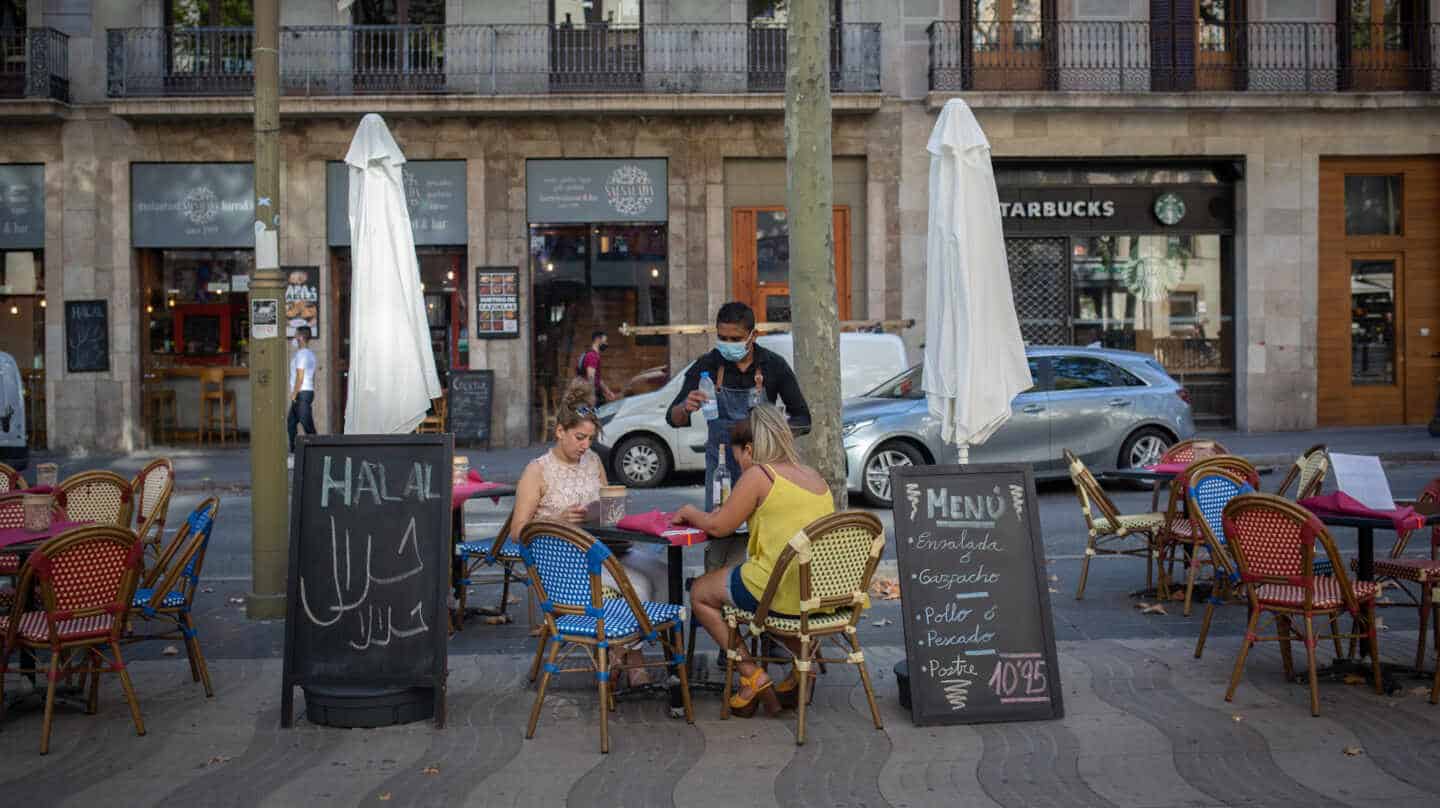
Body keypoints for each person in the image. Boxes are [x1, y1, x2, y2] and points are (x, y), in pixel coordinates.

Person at [672, 405, 835, 716]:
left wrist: (691, 513)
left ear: (748, 449)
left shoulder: (759, 475)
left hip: (775, 587)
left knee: (701, 594)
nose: (738, 463)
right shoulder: (815, 476)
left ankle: (752, 674)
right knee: (770, 606)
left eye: (737, 456)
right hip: (816, 589)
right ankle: (804, 669)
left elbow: (720, 526)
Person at [510, 378, 665, 683]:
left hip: (603, 548)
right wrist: (558, 519)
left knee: (661, 572)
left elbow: (611, 514)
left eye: (590, 438)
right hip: (563, 564)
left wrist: (612, 507)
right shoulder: (537, 470)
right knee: (641, 587)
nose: (586, 446)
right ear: (560, 432)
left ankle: (625, 651)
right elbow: (517, 532)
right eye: (579, 437)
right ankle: (631, 658)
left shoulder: (593, 461)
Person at [666, 302, 811, 571]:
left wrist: (772, 433)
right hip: (721, 470)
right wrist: (685, 407)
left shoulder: (773, 366)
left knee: (764, 542)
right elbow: (673, 418)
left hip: (765, 472)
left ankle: (758, 595)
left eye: (735, 339)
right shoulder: (707, 365)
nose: (727, 344)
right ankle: (722, 594)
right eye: (722, 338)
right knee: (721, 544)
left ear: (752, 336)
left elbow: (803, 419)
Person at [287, 326, 317, 454]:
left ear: (300, 337)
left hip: (302, 393)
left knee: (306, 424)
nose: (294, 337)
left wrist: (294, 394)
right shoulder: (310, 354)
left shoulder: (302, 355)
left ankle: (317, 450)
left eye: (295, 335)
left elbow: (300, 376)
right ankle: (294, 451)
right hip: (305, 392)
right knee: (291, 423)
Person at [576, 330, 617, 403]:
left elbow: (597, 378)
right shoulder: (592, 356)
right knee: (599, 412)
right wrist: (591, 397)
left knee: (587, 413)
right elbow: (590, 376)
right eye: (605, 341)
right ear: (598, 340)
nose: (606, 344)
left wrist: (608, 392)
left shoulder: (587, 353)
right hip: (591, 393)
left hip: (589, 392)